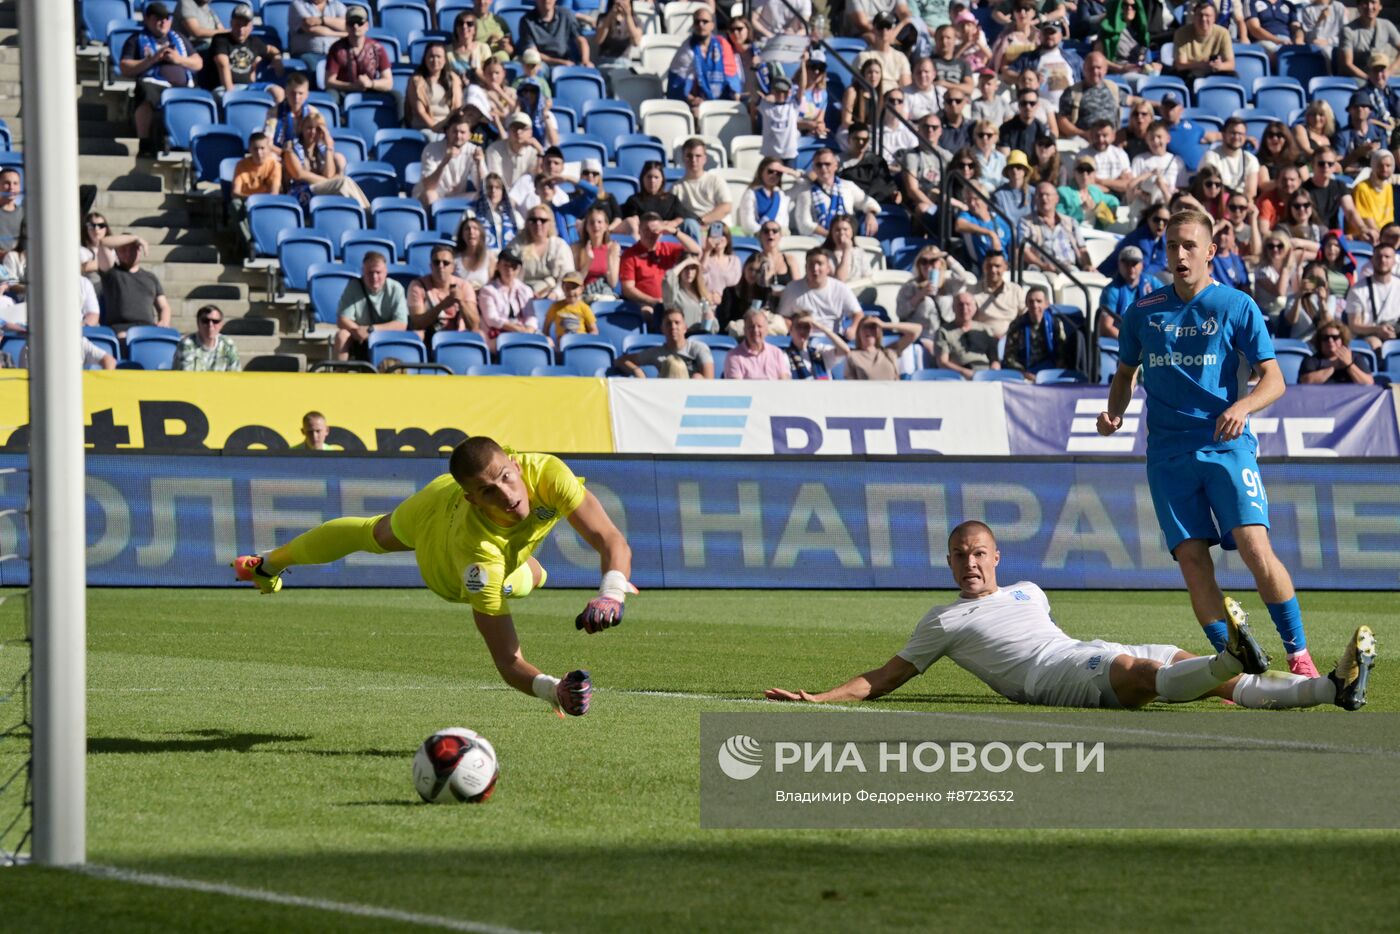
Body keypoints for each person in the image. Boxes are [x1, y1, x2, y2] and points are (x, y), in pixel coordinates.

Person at [764, 521, 1375, 712]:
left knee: (1217, 681)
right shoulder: (943, 622)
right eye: (960, 556)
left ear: (996, 557)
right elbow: (885, 677)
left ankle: (1333, 688)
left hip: (1083, 649)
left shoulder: (1030, 591)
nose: (970, 563)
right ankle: (1228, 656)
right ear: (949, 562)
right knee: (1144, 677)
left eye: (979, 554)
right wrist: (820, 698)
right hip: (1048, 678)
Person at [235, 436, 636, 717]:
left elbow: (610, 539)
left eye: (505, 477)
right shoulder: (477, 557)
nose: (507, 495)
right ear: (473, 499)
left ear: (515, 464)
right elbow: (507, 660)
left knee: (376, 531)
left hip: (447, 494)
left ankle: (266, 563)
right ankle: (270, 561)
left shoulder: (547, 473)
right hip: (445, 561)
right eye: (488, 491)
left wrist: (612, 592)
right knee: (377, 535)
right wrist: (553, 689)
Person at [1098, 208, 1323, 678]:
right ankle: (1234, 665)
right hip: (1167, 455)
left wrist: (1243, 407)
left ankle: (1298, 654)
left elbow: (1274, 379)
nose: (1179, 255)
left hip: (1226, 446)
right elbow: (1124, 374)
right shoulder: (1142, 312)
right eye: (1171, 246)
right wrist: (1114, 413)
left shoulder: (1236, 305)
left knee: (1254, 547)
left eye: (1189, 246)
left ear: (1210, 252)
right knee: (1193, 562)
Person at [120, 2, 203, 155]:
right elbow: (125, 67)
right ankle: (145, 142)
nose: (163, 22)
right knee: (145, 91)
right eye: (158, 18)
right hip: (154, 83)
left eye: (166, 19)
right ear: (147, 19)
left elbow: (198, 63)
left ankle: (188, 142)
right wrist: (152, 59)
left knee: (201, 97)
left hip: (182, 87)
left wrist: (178, 59)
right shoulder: (136, 39)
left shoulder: (179, 38)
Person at [619, 212, 698, 322]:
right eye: (646, 230)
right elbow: (628, 289)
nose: (650, 234)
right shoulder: (630, 255)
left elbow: (696, 251)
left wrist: (674, 232)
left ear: (661, 233)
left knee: (692, 308)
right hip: (645, 303)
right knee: (648, 313)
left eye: (655, 231)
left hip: (672, 301)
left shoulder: (668, 249)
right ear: (639, 231)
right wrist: (653, 301)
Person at [283, 112, 370, 209]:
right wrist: (329, 182)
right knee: (343, 182)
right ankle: (367, 213)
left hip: (318, 193)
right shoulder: (291, 147)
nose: (313, 132)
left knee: (346, 181)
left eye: (317, 129)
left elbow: (328, 174)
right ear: (302, 128)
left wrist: (329, 147)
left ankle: (366, 211)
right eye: (309, 128)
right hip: (299, 196)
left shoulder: (322, 151)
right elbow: (299, 174)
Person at [665, 7, 740, 118]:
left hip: (722, 99)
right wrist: (693, 99)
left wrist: (735, 99)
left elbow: (732, 78)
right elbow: (679, 83)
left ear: (712, 25)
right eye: (697, 22)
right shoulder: (686, 49)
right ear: (693, 25)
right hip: (697, 102)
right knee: (697, 113)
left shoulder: (722, 44)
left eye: (705, 21)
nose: (701, 25)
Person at [334, 251, 408, 360]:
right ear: (363, 272)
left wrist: (371, 330)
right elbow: (342, 319)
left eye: (378, 272)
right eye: (370, 273)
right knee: (342, 335)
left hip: (387, 336)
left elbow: (401, 324)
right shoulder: (353, 286)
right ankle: (340, 370)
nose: (374, 276)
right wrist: (358, 331)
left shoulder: (396, 288)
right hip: (360, 338)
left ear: (386, 272)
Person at [777, 248, 864, 338]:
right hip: (803, 338)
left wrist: (853, 328)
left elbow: (858, 314)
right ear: (805, 267)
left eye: (820, 263)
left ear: (828, 268)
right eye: (811, 264)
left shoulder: (840, 288)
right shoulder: (792, 288)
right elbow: (783, 317)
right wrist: (794, 331)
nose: (815, 268)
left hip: (833, 338)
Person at [207, 4, 284, 102]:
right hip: (224, 88)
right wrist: (232, 94)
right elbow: (223, 65)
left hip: (249, 87)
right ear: (231, 23)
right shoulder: (221, 40)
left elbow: (270, 49)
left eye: (245, 25)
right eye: (237, 24)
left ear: (251, 27)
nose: (241, 30)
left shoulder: (254, 42)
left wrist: (277, 58)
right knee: (222, 97)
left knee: (278, 92)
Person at [98, 234, 172, 336]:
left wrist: (164, 321)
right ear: (116, 252)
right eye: (123, 249)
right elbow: (104, 243)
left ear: (139, 250)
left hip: (148, 330)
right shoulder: (111, 273)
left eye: (132, 249)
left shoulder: (150, 277)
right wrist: (135, 238)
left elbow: (164, 306)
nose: (128, 253)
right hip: (119, 330)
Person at [617, 306, 714, 378]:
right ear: (662, 329)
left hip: (692, 396)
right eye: (668, 323)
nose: (673, 327)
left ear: (685, 328)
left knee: (697, 377)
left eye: (677, 323)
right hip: (666, 395)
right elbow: (620, 360)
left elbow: (709, 383)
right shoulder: (657, 353)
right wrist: (637, 370)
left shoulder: (699, 348)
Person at [1002, 286, 1078, 377]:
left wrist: (1053, 372)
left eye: (1039, 301)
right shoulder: (1017, 325)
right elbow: (1009, 357)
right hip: (1024, 373)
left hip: (1050, 371)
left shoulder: (1055, 323)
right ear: (1026, 304)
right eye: (1031, 301)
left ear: (1046, 304)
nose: (1035, 305)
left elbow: (1062, 353)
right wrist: (1024, 373)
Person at [408, 244, 479, 340]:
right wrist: (442, 305)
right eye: (436, 262)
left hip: (460, 336)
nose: (441, 266)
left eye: (446, 263)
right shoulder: (418, 286)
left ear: (453, 267)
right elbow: (417, 323)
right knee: (418, 334)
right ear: (430, 266)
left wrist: (461, 302)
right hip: (430, 336)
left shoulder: (464, 286)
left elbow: (474, 325)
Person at [1021, 181, 1092, 272]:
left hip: (1069, 268)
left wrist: (1088, 265)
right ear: (1035, 200)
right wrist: (1043, 266)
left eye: (1047, 195)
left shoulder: (1070, 222)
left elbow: (1082, 249)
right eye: (1040, 195)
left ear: (1056, 199)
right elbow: (1024, 250)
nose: (1044, 198)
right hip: (1041, 269)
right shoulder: (1026, 222)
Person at [230, 132, 281, 258]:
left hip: (265, 203)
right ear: (249, 149)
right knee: (235, 204)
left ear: (268, 148)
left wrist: (256, 200)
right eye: (255, 149)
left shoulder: (274, 165)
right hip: (246, 201)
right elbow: (235, 192)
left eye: (262, 148)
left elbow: (274, 193)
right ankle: (249, 242)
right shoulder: (241, 165)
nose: (259, 153)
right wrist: (249, 199)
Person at [621, 161, 701, 241]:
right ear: (642, 179)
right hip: (644, 238)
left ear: (662, 180)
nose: (652, 181)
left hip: (671, 237)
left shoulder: (671, 199)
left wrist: (672, 223)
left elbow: (681, 216)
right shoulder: (634, 200)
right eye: (649, 177)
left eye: (656, 177)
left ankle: (696, 249)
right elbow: (633, 222)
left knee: (691, 223)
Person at [1343, 241, 1400, 349]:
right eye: (1378, 257)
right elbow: (1354, 325)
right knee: (1375, 344)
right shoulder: (1358, 289)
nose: (1382, 260)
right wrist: (1377, 329)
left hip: (1395, 331)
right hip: (1369, 334)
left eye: (1387, 257)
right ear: (1372, 260)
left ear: (1394, 261)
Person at [323, 5, 392, 95]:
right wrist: (352, 87)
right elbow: (329, 82)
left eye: (359, 23)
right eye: (351, 23)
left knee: (396, 96)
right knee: (331, 94)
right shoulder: (336, 49)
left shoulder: (378, 48)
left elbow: (388, 82)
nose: (355, 26)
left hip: (370, 90)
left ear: (366, 26)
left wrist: (371, 84)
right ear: (346, 26)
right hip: (343, 92)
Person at [476, 249, 538, 348]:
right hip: (499, 335)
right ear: (498, 266)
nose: (510, 270)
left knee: (548, 342)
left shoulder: (525, 290)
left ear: (519, 269)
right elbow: (492, 319)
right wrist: (516, 328)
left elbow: (531, 316)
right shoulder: (488, 290)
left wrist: (529, 330)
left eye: (514, 266)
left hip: (523, 332)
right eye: (505, 265)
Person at [511, 206, 575, 298]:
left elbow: (567, 275)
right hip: (522, 295)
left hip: (554, 296)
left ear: (550, 223)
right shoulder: (516, 245)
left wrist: (555, 294)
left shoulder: (559, 246)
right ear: (527, 223)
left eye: (543, 220)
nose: (538, 223)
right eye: (533, 220)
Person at [673, 138, 733, 233]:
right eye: (689, 156)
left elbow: (726, 207)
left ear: (705, 158)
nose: (693, 160)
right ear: (683, 158)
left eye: (698, 156)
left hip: (717, 229)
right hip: (691, 231)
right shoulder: (676, 188)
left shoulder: (716, 181)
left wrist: (701, 221)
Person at [406, 42, 464, 140]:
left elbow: (457, 107)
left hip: (448, 126)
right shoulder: (416, 80)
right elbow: (421, 111)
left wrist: (449, 127)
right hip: (425, 127)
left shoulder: (454, 79)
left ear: (445, 60)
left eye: (438, 57)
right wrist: (436, 128)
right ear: (425, 59)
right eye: (431, 56)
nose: (435, 60)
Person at [934, 292, 1000, 377]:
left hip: (985, 374)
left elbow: (994, 359)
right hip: (958, 376)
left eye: (968, 304)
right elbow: (942, 363)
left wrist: (994, 370)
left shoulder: (985, 330)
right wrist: (964, 373)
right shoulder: (944, 332)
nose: (964, 309)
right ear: (953, 308)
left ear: (975, 308)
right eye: (960, 305)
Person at [1097, 245, 1153, 338]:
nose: (1131, 268)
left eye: (1134, 263)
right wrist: (1132, 341)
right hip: (1120, 339)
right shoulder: (1111, 291)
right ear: (1119, 264)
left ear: (1142, 265)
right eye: (1126, 263)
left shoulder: (1151, 282)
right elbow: (1106, 327)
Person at [1199, 117, 1259, 202]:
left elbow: (1251, 193)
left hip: (1240, 204)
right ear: (1223, 135)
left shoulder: (1251, 160)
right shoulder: (1211, 156)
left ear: (1245, 137)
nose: (1236, 137)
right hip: (1217, 202)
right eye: (1233, 133)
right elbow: (1212, 189)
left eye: (1240, 134)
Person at [1170, 0, 1235, 79]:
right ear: (1194, 17)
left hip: (1213, 71)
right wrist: (1201, 65)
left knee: (1232, 75)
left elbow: (1231, 64)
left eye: (1207, 15)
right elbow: (1180, 65)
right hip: (1188, 72)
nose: (1203, 19)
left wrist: (1220, 66)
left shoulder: (1223, 33)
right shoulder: (1181, 33)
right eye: (1200, 15)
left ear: (1214, 18)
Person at [1337, 0, 1400, 81]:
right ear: (1358, 7)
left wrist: (1389, 71)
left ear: (1380, 6)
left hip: (1379, 76)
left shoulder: (1386, 25)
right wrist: (1369, 79)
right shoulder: (1348, 31)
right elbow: (1347, 64)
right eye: (1365, 3)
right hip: (1356, 77)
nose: (1370, 7)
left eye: (1373, 2)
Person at [519, 0, 591, 69]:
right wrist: (557, 62)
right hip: (542, 63)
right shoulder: (527, 21)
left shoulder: (566, 15)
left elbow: (581, 40)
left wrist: (585, 61)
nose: (546, 0)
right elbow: (532, 53)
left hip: (567, 61)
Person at [724, 308, 792, 379]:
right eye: (751, 327)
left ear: (766, 330)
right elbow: (736, 385)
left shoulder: (777, 353)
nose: (755, 330)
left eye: (759, 326)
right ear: (745, 330)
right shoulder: (734, 356)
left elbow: (785, 382)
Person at [845, 316, 921, 380]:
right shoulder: (853, 356)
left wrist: (884, 325)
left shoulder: (889, 352)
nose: (869, 330)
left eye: (873, 327)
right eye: (865, 327)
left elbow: (917, 330)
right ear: (858, 332)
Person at [971, 250, 1025, 338]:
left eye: (997, 266)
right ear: (984, 267)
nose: (993, 270)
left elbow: (1025, 314)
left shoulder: (1015, 290)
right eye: (989, 266)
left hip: (1010, 340)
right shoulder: (973, 290)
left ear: (1005, 267)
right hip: (982, 339)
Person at [1300, 321, 1375, 384]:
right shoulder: (1311, 360)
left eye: (1335, 337)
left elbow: (1369, 383)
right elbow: (1306, 382)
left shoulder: (1356, 358)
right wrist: (1333, 367)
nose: (1330, 341)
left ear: (1342, 340)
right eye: (1325, 338)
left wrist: (1349, 365)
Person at [737, 157, 797, 235]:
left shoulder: (783, 195)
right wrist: (769, 232)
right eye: (770, 171)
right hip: (760, 237)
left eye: (778, 173)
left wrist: (791, 172)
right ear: (761, 171)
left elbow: (804, 185)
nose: (774, 175)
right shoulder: (751, 193)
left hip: (782, 238)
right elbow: (748, 225)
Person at [174, 304, 241, 371]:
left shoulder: (228, 345)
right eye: (205, 321)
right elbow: (187, 375)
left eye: (215, 321)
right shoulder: (187, 344)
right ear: (198, 323)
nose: (210, 325)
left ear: (221, 325)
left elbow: (235, 373)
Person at [1058, 155, 1119, 229]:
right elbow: (1058, 219)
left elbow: (1113, 200)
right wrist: (1081, 209)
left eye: (1089, 170)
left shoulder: (1095, 191)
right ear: (1074, 172)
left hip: (1095, 233)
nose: (1085, 174)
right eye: (1081, 170)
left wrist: (1100, 208)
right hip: (1073, 232)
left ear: (1094, 173)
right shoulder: (1063, 193)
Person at [784, 311, 849, 379]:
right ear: (791, 330)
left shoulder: (820, 351)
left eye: (806, 327)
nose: (802, 331)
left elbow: (845, 351)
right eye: (798, 327)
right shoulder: (785, 356)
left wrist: (821, 327)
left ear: (810, 330)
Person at [572, 206, 619, 299]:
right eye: (591, 222)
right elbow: (575, 282)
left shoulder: (612, 247)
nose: (595, 225)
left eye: (599, 222)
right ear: (586, 227)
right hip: (584, 291)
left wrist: (609, 258)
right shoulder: (577, 248)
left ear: (606, 226)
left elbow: (613, 283)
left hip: (605, 290)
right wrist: (588, 262)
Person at [1350, 149, 1395, 244]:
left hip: (1384, 234)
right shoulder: (1362, 188)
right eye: (1380, 165)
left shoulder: (1388, 187)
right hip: (1366, 235)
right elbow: (1366, 219)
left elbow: (1389, 218)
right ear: (1374, 166)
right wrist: (1384, 236)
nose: (1385, 169)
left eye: (1388, 166)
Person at [541, 270, 598, 343]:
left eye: (574, 287)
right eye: (568, 287)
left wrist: (587, 340)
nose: (571, 291)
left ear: (581, 289)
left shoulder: (585, 308)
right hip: (562, 345)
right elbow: (545, 329)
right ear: (562, 288)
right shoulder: (556, 307)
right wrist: (548, 340)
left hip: (580, 343)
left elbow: (594, 330)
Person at [1336, 93, 1387, 173]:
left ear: (1370, 110)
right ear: (1349, 110)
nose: (1360, 109)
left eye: (1363, 106)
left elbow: (1386, 159)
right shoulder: (1342, 135)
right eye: (1355, 106)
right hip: (1352, 176)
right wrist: (1358, 153)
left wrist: (1376, 154)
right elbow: (1337, 165)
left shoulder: (1379, 132)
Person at [288, 0, 347, 66]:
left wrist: (322, 20)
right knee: (317, 67)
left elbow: (347, 26)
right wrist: (341, 33)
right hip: (307, 53)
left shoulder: (337, 5)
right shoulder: (298, 4)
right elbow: (311, 28)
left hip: (334, 53)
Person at [821, 215, 875, 282]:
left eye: (845, 229)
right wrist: (846, 250)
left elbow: (868, 278)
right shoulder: (824, 255)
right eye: (837, 230)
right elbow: (839, 280)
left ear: (852, 232)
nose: (841, 233)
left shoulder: (860, 253)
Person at [591, 0, 642, 71]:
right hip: (605, 61)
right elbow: (598, 40)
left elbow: (636, 42)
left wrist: (628, 16)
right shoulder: (603, 17)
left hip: (624, 61)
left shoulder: (636, 20)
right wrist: (610, 16)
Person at [446, 10, 493, 78]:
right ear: (456, 28)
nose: (464, 26)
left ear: (475, 29)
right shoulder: (447, 51)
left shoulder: (483, 48)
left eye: (469, 24)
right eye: (460, 23)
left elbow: (490, 78)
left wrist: (476, 70)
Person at [454, 216, 497, 288]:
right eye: (467, 229)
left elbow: (492, 284)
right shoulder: (455, 258)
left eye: (475, 228)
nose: (471, 232)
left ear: (481, 233)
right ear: (462, 235)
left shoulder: (489, 257)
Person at [1292, 101, 1338, 167]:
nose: (1317, 118)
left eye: (1321, 115)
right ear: (1308, 116)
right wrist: (1329, 159)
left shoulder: (1330, 136)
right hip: (1304, 167)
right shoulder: (1300, 129)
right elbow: (1306, 150)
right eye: (1313, 114)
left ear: (1327, 117)